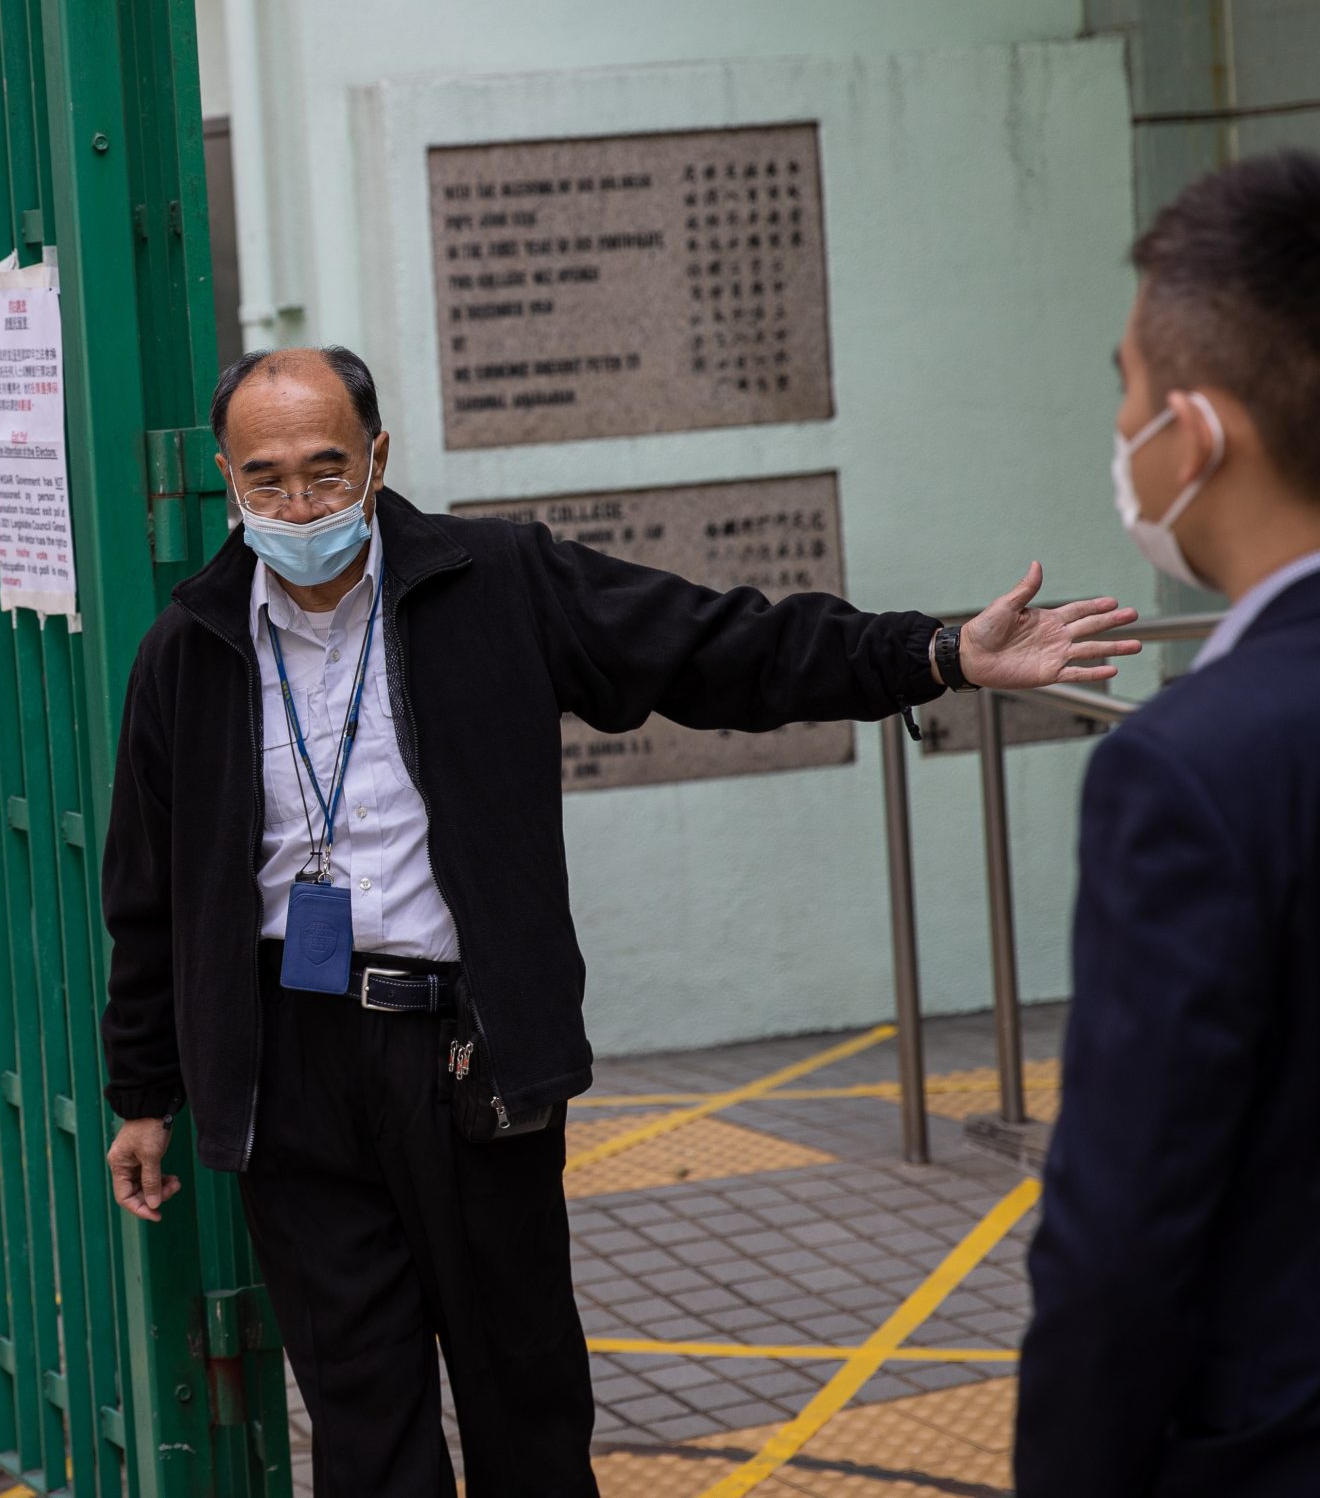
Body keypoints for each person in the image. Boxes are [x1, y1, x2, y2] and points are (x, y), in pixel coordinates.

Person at [98, 345, 1142, 1494]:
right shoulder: (187, 651)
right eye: (267, 482)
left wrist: (932, 653)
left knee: (524, 1396)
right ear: (226, 481)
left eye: (326, 473)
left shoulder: (491, 583)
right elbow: (148, 893)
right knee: (360, 1412)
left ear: (378, 457)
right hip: (286, 1064)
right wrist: (143, 1093)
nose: (299, 507)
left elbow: (715, 647)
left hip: (464, 1055)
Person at [1016, 153, 1320, 1497]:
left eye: (1128, 389)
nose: (1125, 427)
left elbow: (1122, 1239)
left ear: (1191, 436)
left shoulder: (1191, 771)